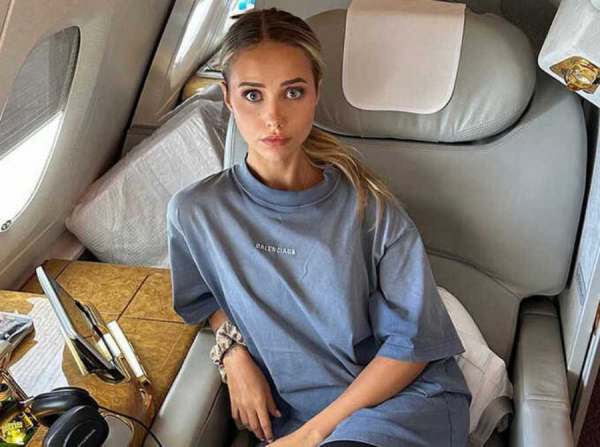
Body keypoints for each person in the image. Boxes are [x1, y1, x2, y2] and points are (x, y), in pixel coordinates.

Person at [167, 8, 471, 447]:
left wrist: (311, 435)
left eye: (292, 92)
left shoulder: (371, 208)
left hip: (401, 401)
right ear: (228, 98)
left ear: (315, 94)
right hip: (303, 417)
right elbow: (206, 299)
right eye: (253, 95)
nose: (273, 117)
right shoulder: (196, 212)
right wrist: (233, 354)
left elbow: (411, 347)